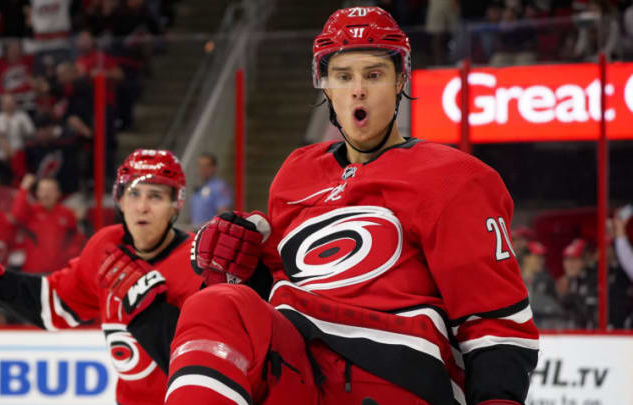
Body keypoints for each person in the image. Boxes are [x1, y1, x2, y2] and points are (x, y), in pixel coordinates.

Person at [168, 7, 539, 405]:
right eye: (343, 76)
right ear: (325, 86)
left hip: (396, 374)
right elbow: (279, 287)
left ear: (400, 80)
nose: (357, 89)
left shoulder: (456, 177)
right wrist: (243, 266)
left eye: (374, 74)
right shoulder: (296, 173)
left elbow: (495, 321)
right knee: (216, 302)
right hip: (304, 365)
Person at [0, 149, 204, 404]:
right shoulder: (105, 247)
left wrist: (151, 313)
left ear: (175, 204)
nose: (142, 206)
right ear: (119, 199)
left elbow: (206, 371)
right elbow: (53, 305)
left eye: (155, 196)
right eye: (134, 194)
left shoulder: (200, 264)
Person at [12, 174, 83, 273]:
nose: (46, 194)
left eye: (50, 190)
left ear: (58, 193)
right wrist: (24, 188)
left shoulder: (67, 214)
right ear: (37, 193)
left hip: (59, 272)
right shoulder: (30, 212)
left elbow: (76, 239)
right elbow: (16, 215)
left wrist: (67, 259)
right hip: (34, 272)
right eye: (42, 190)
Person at [189, 152, 232, 229]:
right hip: (196, 230)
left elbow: (223, 215)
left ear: (214, 168)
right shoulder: (199, 186)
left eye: (206, 166)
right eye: (200, 166)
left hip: (210, 231)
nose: (202, 169)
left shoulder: (220, 186)